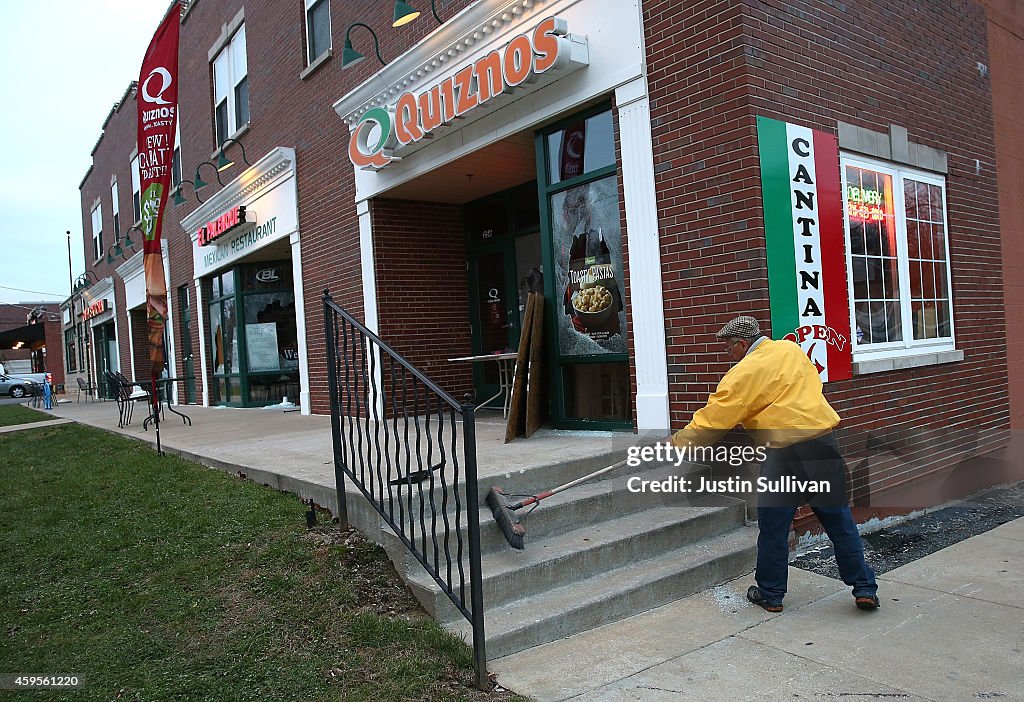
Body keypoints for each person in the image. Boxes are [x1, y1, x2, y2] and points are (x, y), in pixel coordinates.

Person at [671, 315, 878, 613]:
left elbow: (712, 421)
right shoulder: (791, 350)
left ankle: (771, 594)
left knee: (774, 527)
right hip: (822, 442)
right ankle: (864, 588)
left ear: (742, 344)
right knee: (839, 519)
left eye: (729, 348)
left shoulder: (742, 374)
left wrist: (677, 444)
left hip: (783, 454)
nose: (728, 355)